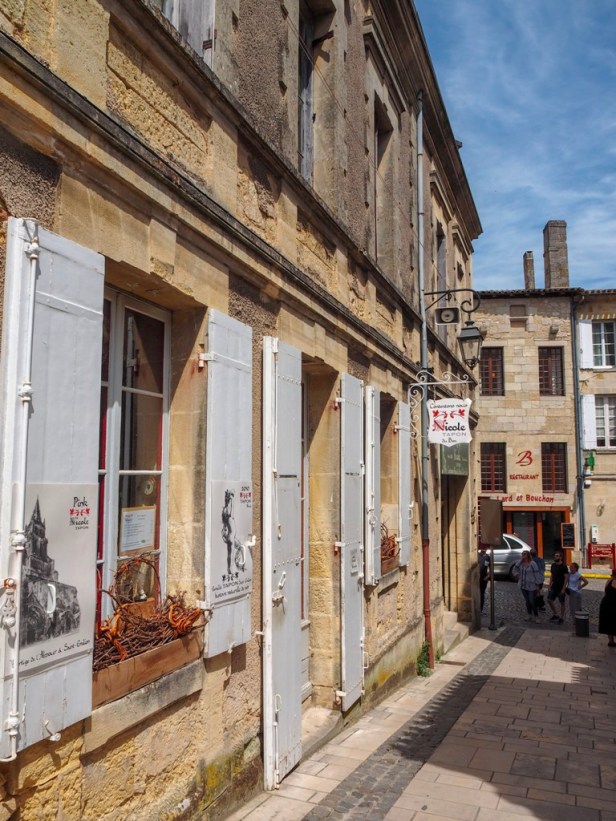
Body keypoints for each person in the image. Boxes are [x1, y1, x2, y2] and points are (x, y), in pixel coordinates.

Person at [513, 550, 543, 622]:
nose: (523, 555)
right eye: (522, 554)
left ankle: (536, 616)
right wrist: (517, 575)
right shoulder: (520, 563)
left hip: (531, 586)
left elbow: (537, 575)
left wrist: (538, 585)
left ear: (528, 555)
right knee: (527, 601)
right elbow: (515, 569)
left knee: (532, 601)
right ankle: (529, 615)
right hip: (523, 585)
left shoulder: (533, 564)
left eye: (524, 554)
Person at [547, 551, 569, 624]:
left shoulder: (564, 566)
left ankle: (561, 617)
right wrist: (549, 585)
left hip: (560, 587)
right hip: (554, 586)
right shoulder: (553, 565)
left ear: (560, 557)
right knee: (549, 600)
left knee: (562, 602)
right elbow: (552, 576)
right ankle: (555, 614)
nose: (555, 557)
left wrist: (563, 588)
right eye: (555, 556)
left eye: (557, 556)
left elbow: (566, 577)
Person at [598, 569, 616, 647]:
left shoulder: (609, 580)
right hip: (612, 604)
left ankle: (611, 641)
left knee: (609, 622)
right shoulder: (615, 581)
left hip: (606, 602)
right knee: (613, 622)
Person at [479, 549, 490, 613]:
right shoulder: (477, 556)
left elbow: (491, 568)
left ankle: (481, 609)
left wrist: (488, 576)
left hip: (484, 578)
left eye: (485, 548)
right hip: (477, 578)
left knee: (482, 593)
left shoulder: (488, 557)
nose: (483, 550)